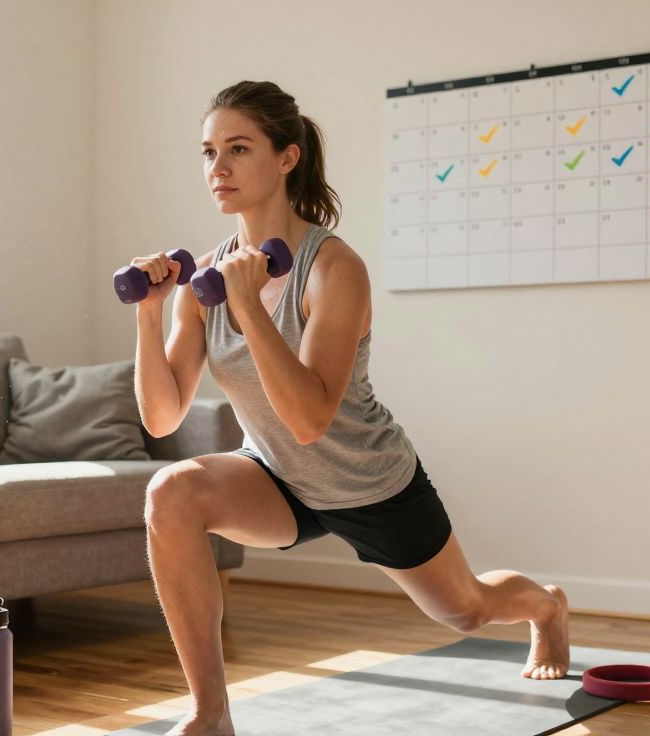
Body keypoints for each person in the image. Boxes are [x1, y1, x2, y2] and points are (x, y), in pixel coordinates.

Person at [129, 80, 570, 736]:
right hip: (278, 477)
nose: (216, 167)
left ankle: (549, 608)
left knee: (469, 611)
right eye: (208, 151)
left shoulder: (334, 268)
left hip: (368, 480)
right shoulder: (203, 287)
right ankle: (210, 713)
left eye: (238, 148)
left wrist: (249, 306)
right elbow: (162, 419)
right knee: (172, 492)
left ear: (286, 157)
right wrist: (150, 312)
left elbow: (311, 420)